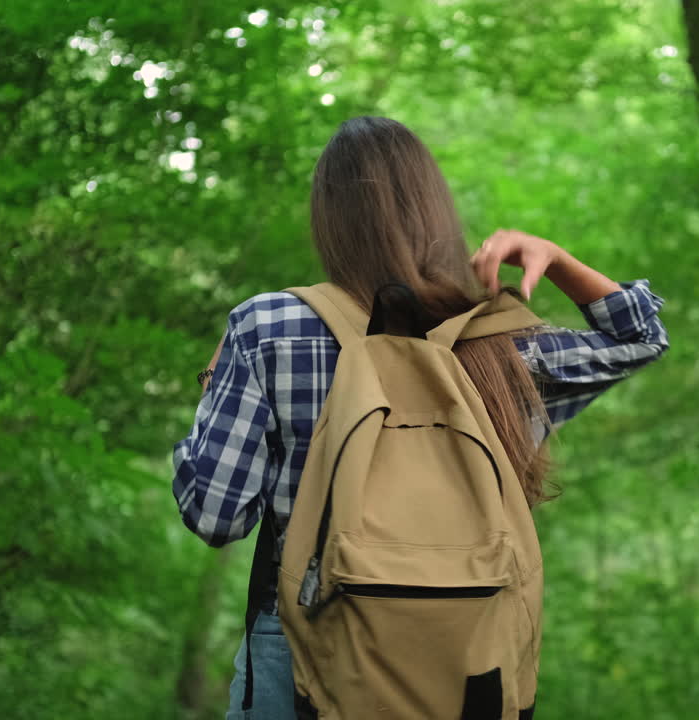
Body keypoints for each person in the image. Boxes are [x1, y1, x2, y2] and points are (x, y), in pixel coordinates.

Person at [172, 116, 669, 719]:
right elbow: (641, 336)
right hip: (469, 651)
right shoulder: (498, 344)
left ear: (329, 219)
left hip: (303, 649)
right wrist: (558, 260)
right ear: (435, 211)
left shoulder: (269, 328)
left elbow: (216, 514)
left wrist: (213, 383)